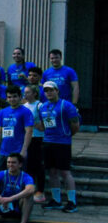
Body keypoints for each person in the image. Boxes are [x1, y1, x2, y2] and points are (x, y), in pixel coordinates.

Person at [36, 80, 81, 213]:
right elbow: (43, 125)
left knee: (65, 172)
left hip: (62, 143)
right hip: (48, 142)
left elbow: (75, 125)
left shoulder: (66, 105)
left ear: (57, 91)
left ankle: (72, 201)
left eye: (51, 90)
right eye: (46, 90)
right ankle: (56, 200)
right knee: (52, 172)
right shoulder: (43, 107)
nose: (49, 92)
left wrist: (66, 135)